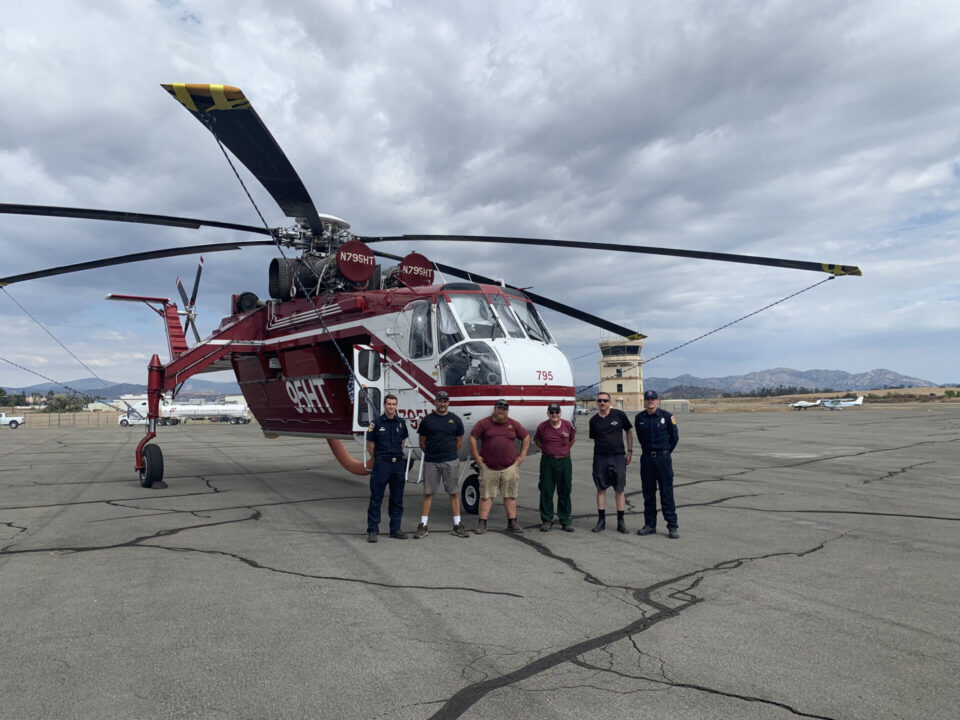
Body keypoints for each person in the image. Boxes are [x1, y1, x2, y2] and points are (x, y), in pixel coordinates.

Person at [468, 399, 530, 534]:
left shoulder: (513, 424)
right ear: (494, 409)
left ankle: (512, 522)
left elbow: (525, 437)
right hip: (489, 467)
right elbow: (472, 437)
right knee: (486, 496)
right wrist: (476, 457)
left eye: (504, 409)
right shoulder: (483, 423)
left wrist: (522, 455)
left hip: (509, 467)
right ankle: (482, 523)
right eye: (499, 408)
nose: (501, 411)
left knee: (510, 496)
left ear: (507, 411)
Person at [414, 391, 469, 539]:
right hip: (431, 461)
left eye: (445, 401)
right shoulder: (427, 420)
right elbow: (422, 442)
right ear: (435, 402)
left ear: (448, 403)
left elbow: (459, 442)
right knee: (428, 493)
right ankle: (423, 525)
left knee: (453, 492)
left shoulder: (455, 420)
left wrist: (448, 453)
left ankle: (457, 525)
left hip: (450, 460)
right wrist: (433, 453)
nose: (442, 403)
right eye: (440, 401)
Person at [634, 390, 680, 539]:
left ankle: (672, 526)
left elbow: (674, 438)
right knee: (648, 494)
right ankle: (649, 525)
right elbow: (640, 438)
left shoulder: (667, 417)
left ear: (657, 401)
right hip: (647, 459)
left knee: (666, 493)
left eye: (653, 399)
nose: (650, 401)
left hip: (663, 460)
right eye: (647, 399)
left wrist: (665, 452)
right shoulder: (639, 418)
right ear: (644, 401)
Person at [364, 394, 409, 543]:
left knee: (397, 498)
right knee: (376, 498)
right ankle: (372, 530)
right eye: (389, 404)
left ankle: (395, 529)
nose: (391, 407)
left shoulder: (401, 423)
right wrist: (378, 459)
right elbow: (370, 445)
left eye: (394, 404)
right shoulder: (375, 423)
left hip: (397, 464)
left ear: (396, 406)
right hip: (381, 464)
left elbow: (402, 441)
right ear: (384, 406)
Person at [588, 392, 633, 533]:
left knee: (619, 489)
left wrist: (630, 451)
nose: (602, 403)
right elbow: (595, 438)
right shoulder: (593, 420)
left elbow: (629, 431)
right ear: (597, 402)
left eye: (605, 400)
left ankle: (621, 521)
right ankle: (601, 520)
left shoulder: (619, 415)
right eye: (600, 400)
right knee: (601, 488)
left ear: (609, 401)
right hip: (600, 457)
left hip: (618, 456)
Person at [533, 402, 576, 532]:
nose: (554, 414)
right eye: (551, 412)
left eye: (557, 412)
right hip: (548, 461)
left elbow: (572, 440)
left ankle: (565, 520)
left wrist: (563, 451)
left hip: (564, 461)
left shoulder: (567, 425)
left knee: (565, 490)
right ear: (548, 413)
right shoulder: (542, 427)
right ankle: (547, 519)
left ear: (560, 413)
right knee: (546, 490)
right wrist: (547, 450)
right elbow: (537, 440)